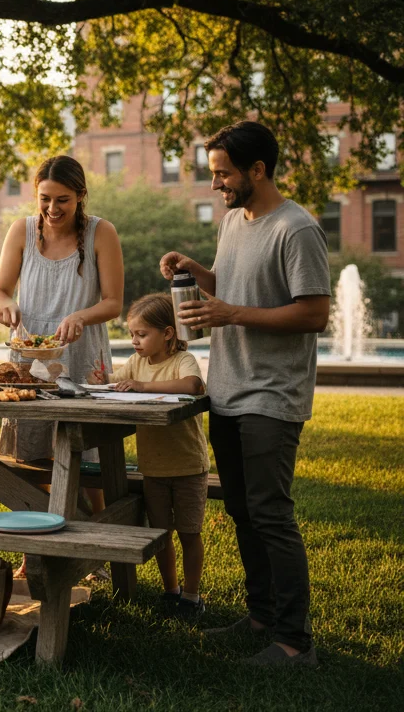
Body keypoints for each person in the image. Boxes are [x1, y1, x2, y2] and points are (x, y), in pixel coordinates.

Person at [160, 120, 329, 667]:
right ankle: (259, 614)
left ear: (258, 169)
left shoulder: (296, 229)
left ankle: (292, 639)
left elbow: (314, 312)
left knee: (270, 512)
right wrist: (198, 273)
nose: (216, 185)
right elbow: (236, 287)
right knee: (239, 509)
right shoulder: (233, 221)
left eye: (224, 174)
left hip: (272, 395)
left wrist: (231, 312)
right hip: (228, 391)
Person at [0, 155, 124, 464]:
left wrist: (81, 316)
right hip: (30, 356)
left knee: (87, 459)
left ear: (81, 196)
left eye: (63, 200)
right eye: (45, 199)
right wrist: (7, 305)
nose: (52, 209)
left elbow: (114, 302)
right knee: (32, 457)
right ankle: (39, 512)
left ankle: (92, 513)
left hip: (81, 354)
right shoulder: (20, 231)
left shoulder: (101, 233)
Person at [88, 294, 208, 620]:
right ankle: (171, 591)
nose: (134, 341)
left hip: (186, 467)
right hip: (153, 468)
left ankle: (192, 595)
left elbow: (193, 385)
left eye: (142, 334)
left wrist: (139, 386)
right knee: (161, 532)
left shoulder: (183, 360)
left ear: (168, 333)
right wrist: (104, 381)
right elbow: (118, 381)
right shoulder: (136, 362)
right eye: (132, 334)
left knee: (189, 532)